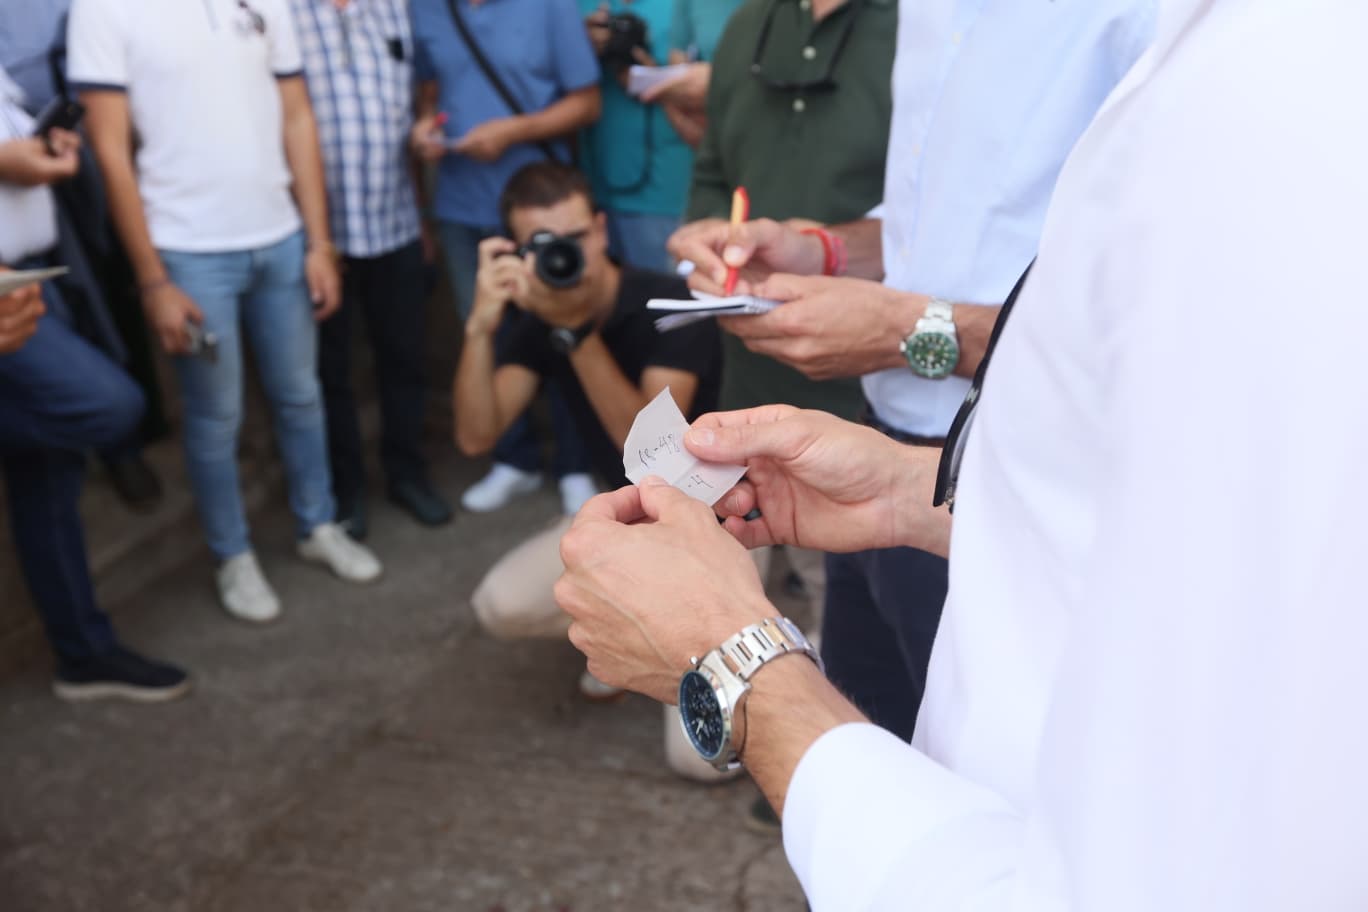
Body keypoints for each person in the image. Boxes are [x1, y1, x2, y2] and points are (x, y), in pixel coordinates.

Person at [554, 0, 1368, 906]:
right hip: (935, 490)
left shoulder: (1299, 94)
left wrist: (737, 668)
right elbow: (1022, 270)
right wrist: (916, 495)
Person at [666, 0, 1155, 742]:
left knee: (983, 805)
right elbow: (941, 226)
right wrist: (822, 251)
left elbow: (1174, 330)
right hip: (878, 463)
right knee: (871, 766)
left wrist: (913, 334)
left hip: (1028, 484)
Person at [70, 0, 383, 625]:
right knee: (216, 416)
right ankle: (232, 554)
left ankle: (316, 525)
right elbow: (110, 151)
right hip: (188, 251)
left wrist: (319, 241)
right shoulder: (101, 10)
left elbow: (297, 117)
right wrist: (153, 279)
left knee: (301, 395)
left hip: (280, 237)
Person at [454, 161, 720, 719]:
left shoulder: (672, 303)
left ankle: (680, 634)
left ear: (601, 229)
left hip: (716, 522)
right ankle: (638, 631)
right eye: (543, 245)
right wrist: (479, 327)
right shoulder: (538, 317)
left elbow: (656, 453)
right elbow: (477, 435)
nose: (563, 257)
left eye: (574, 238)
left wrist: (575, 333)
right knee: (498, 604)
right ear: (516, 253)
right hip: (624, 519)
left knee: (696, 760)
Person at [1, 76, 188, 700]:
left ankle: (84, 652)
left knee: (48, 473)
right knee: (109, 406)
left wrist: (42, 149)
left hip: (30, 272)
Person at [410, 0, 602, 517]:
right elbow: (430, 89)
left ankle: (575, 462)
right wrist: (427, 127)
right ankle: (513, 458)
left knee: (562, 325)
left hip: (537, 209)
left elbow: (586, 103)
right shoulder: (425, 10)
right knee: (486, 329)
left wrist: (511, 131)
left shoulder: (550, 7)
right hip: (461, 202)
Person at [286, 0, 452, 542]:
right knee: (329, 373)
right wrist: (313, 239)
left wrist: (423, 222)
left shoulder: (396, 11)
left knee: (404, 360)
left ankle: (407, 474)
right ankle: (347, 492)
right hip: (316, 236)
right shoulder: (281, 13)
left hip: (395, 221)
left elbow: (413, 108)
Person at [0, 2, 168, 513]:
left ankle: (130, 436)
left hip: (79, 144)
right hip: (23, 184)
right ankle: (114, 438)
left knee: (107, 286)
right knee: (70, 311)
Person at [578, 0, 695, 272]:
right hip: (592, 192)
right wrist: (578, 45)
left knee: (658, 299)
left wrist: (654, 78)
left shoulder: (688, 8)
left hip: (665, 193)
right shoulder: (581, 7)